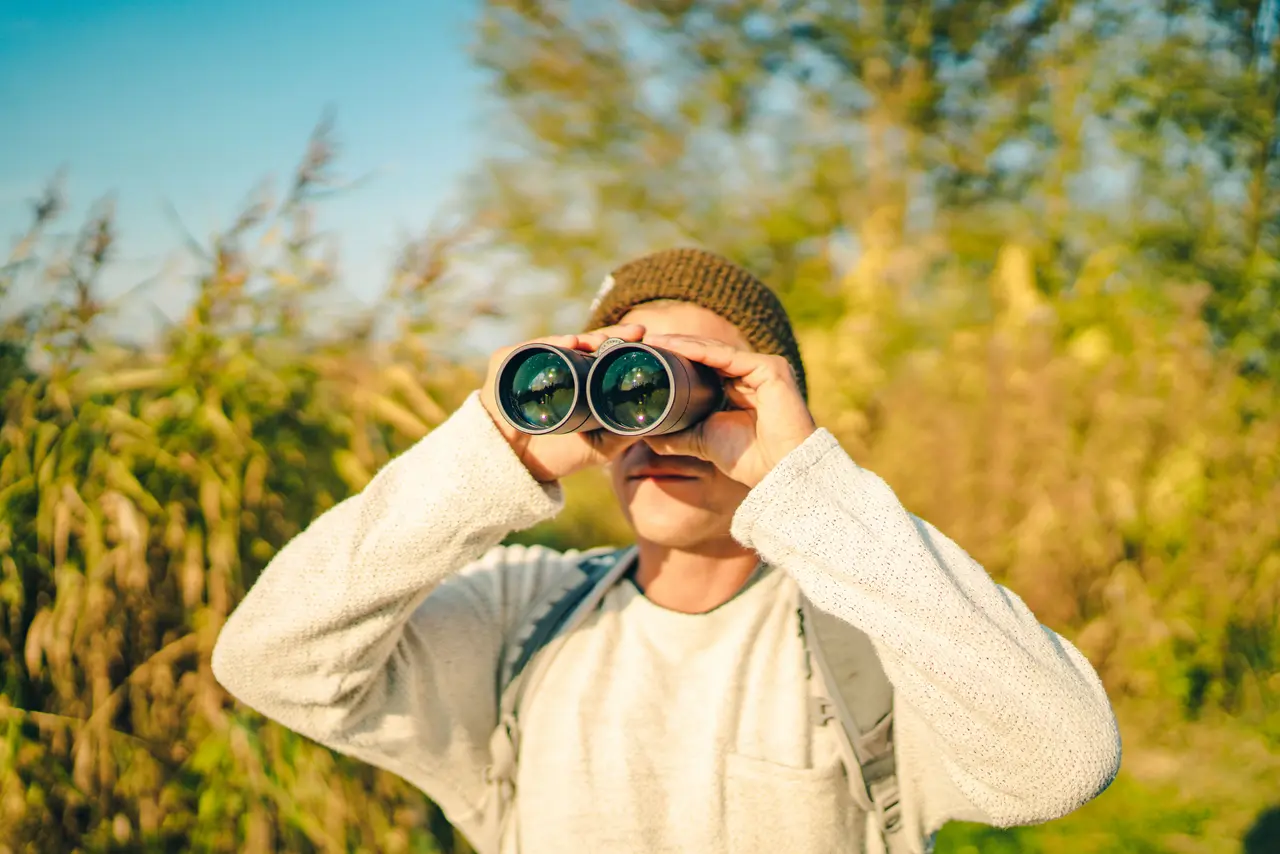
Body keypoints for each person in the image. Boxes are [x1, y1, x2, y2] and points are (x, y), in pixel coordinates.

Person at [212, 248, 1122, 854]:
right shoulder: (516, 617)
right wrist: (492, 450)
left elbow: (1061, 761)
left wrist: (803, 485)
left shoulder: (866, 637)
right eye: (613, 385)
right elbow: (267, 659)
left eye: (681, 386)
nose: (647, 430)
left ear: (772, 406)